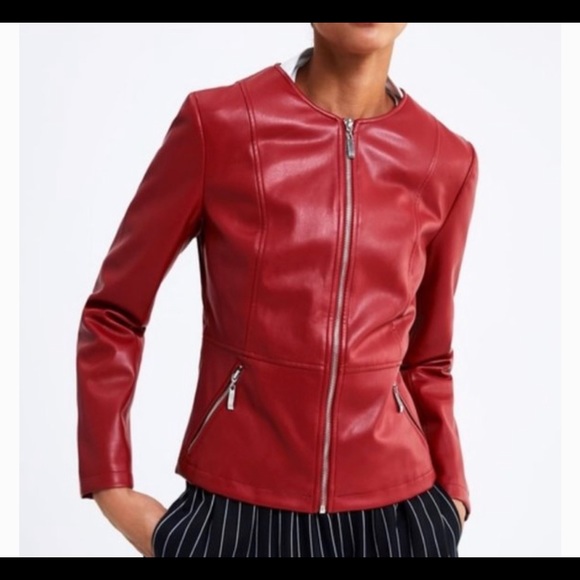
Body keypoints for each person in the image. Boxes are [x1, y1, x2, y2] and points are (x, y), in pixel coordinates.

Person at [76, 23, 478, 558]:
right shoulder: (221, 125)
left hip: (400, 515)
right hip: (239, 512)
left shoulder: (445, 159)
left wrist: (450, 497)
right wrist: (111, 485)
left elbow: (429, 357)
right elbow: (114, 313)